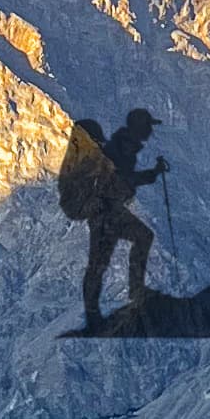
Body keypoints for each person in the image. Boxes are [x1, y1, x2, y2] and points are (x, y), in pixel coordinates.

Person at [59, 108, 169, 329]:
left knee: (106, 259)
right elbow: (120, 181)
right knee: (100, 262)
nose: (149, 132)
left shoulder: (111, 151)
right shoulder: (111, 153)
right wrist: (152, 174)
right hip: (104, 215)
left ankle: (129, 297)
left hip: (109, 213)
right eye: (147, 127)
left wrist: (153, 173)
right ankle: (125, 299)